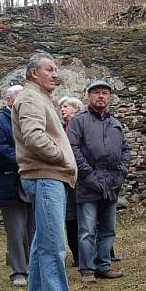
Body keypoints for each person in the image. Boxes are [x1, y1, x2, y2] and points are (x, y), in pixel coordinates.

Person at [12, 52, 87, 291]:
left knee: (42, 240)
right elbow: (33, 137)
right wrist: (62, 157)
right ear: (34, 73)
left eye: (56, 69)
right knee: (54, 244)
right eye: (50, 69)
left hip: (47, 177)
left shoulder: (39, 97)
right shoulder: (31, 98)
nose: (56, 74)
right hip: (46, 177)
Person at [67, 80, 131, 285]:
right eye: (96, 93)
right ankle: (87, 270)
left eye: (104, 93)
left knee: (108, 229)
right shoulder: (79, 121)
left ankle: (103, 266)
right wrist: (89, 175)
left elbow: (125, 150)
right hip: (88, 185)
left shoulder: (115, 123)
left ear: (110, 97)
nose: (100, 96)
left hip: (111, 185)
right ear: (88, 96)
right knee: (86, 230)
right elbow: (72, 148)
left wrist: (120, 174)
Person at [0, 84, 34, 287]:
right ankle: (18, 271)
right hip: (11, 183)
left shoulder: (29, 120)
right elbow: (1, 151)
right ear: (8, 101)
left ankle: (35, 267)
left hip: (32, 181)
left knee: (34, 228)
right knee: (16, 231)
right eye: (20, 98)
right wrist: (27, 160)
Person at [58, 96, 84, 267]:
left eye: (66, 106)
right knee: (71, 218)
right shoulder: (61, 129)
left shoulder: (83, 126)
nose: (62, 109)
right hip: (68, 180)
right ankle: (76, 255)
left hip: (83, 177)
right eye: (61, 107)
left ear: (76, 108)